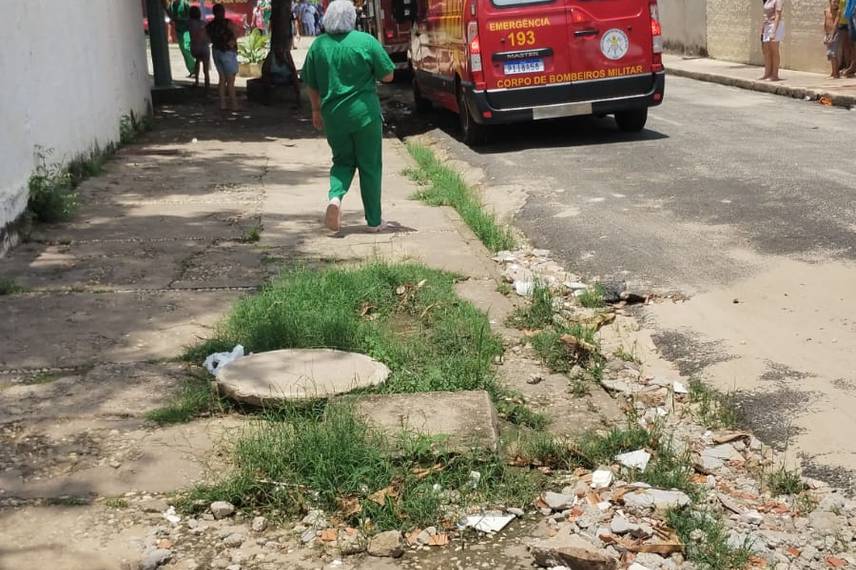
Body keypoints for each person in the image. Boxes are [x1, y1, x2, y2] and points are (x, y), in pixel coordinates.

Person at [303, 0, 396, 232]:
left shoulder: (318, 45)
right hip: (364, 115)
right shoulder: (365, 41)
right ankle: (374, 221)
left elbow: (311, 84)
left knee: (342, 160)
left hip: (333, 116)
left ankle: (335, 198)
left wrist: (315, 110)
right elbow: (388, 76)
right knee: (370, 165)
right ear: (351, 18)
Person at [207, 3, 240, 110]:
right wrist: (232, 42)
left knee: (222, 79)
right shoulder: (227, 23)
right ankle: (234, 105)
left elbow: (206, 38)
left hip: (216, 51)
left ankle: (223, 104)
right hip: (227, 52)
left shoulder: (210, 25)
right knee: (230, 81)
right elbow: (236, 32)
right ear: (222, 12)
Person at [165, 0, 196, 75]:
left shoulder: (185, 3)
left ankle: (194, 69)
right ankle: (192, 70)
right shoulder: (171, 5)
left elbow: (191, 17)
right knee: (184, 51)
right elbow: (170, 19)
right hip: (178, 31)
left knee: (187, 49)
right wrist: (170, 35)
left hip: (187, 31)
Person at [188, 6, 211, 92]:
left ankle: (197, 81)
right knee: (206, 69)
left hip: (195, 47)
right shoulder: (204, 23)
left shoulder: (189, 23)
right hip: (204, 47)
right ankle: (207, 85)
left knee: (197, 61)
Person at [760, 0, 784, 81]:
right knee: (766, 51)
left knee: (774, 51)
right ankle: (767, 73)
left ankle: (775, 75)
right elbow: (765, 15)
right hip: (767, 25)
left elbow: (778, 15)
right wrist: (763, 28)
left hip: (775, 25)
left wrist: (773, 31)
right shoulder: (767, 1)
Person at [826, 0, 842, 78]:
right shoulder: (826, 11)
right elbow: (825, 22)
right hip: (828, 34)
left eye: (837, 2)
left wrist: (832, 36)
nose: (836, 4)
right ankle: (833, 72)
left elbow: (835, 24)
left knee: (833, 53)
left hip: (835, 34)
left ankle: (836, 74)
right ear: (830, 1)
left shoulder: (838, 12)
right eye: (834, 2)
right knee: (829, 54)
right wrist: (826, 35)